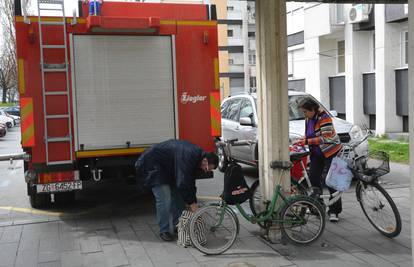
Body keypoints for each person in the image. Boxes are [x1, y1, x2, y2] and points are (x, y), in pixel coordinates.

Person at [135, 139, 219, 242]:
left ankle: (178, 225)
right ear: (205, 160)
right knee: (164, 198)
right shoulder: (189, 155)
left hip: (168, 169)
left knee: (179, 195)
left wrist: (193, 201)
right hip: (153, 164)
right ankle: (164, 230)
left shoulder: (197, 158)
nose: (206, 171)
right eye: (207, 168)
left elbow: (190, 183)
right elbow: (182, 183)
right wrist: (191, 203)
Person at [295, 97, 343, 222]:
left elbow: (326, 138)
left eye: (305, 112)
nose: (304, 114)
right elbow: (310, 133)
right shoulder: (309, 118)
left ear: (312, 109)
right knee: (314, 179)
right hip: (316, 153)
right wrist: (303, 139)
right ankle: (319, 206)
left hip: (330, 152)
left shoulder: (324, 117)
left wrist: (306, 141)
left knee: (332, 181)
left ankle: (334, 211)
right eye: (303, 112)